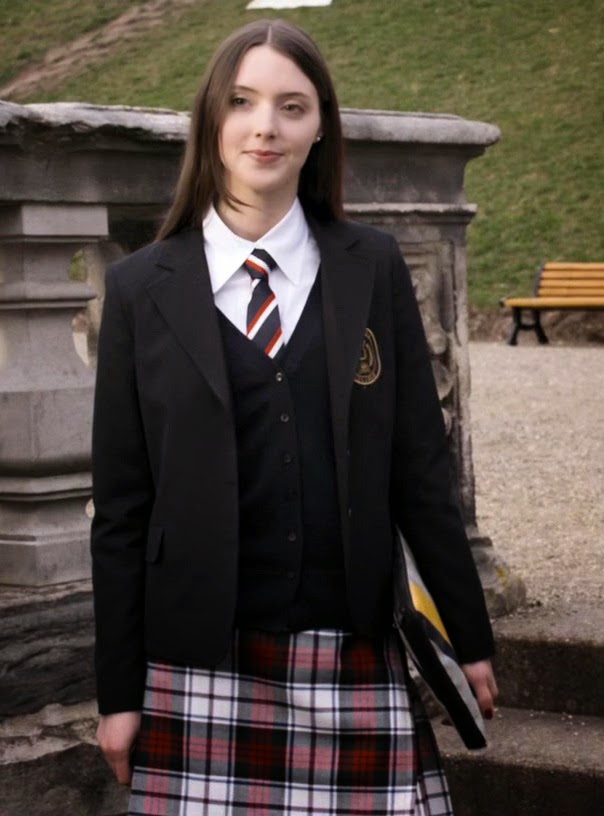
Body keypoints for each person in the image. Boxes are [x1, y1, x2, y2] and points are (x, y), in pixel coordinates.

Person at [91, 18, 497, 816]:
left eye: (292, 106)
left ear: (321, 129)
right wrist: (118, 692)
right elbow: (122, 511)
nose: (265, 127)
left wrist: (470, 636)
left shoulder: (372, 266)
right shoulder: (139, 289)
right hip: (196, 666)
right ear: (211, 119)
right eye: (241, 102)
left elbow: (421, 469)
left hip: (349, 651)